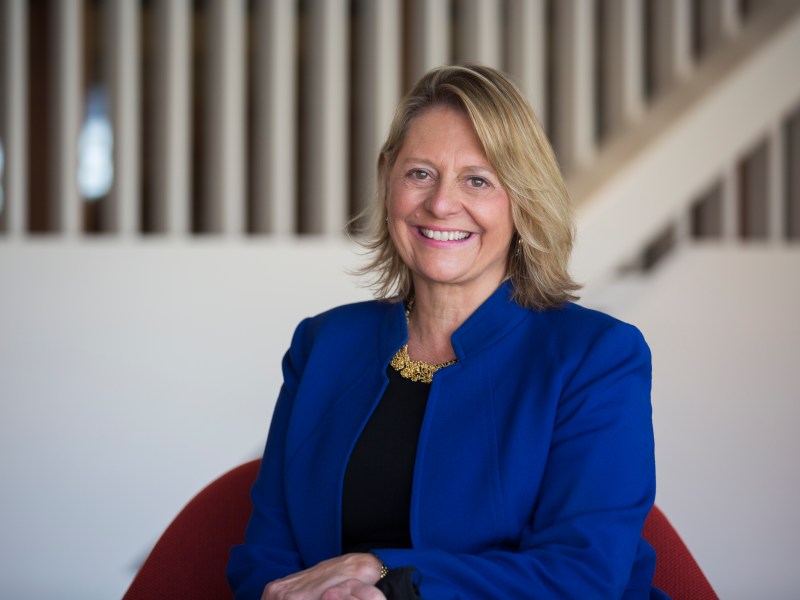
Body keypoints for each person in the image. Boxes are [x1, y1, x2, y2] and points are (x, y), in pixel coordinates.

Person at [227, 64, 667, 599]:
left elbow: (582, 576)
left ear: (522, 200)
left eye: (477, 180)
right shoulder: (322, 346)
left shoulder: (596, 357)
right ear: (388, 178)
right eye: (419, 174)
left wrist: (386, 577)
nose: (440, 204)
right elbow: (265, 560)